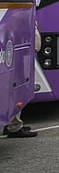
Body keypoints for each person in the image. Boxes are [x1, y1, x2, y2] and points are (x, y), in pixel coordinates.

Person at [4, 8, 41, 137]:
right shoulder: (19, 13)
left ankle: (12, 123)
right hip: (19, 53)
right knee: (16, 89)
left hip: (23, 52)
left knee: (17, 88)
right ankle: (14, 126)